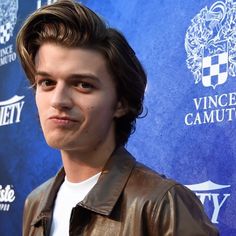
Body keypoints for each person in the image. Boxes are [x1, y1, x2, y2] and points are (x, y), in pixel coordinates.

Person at [16, 0, 219, 235]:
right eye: (47, 83)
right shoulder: (35, 202)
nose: (58, 99)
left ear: (121, 102)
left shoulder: (162, 205)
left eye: (83, 84)